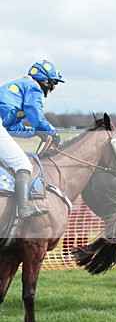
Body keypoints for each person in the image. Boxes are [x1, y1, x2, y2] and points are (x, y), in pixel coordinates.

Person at [0, 59, 64, 218]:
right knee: (23, 164)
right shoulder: (33, 87)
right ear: (45, 79)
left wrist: (35, 132)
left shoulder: (21, 90)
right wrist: (52, 132)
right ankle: (22, 209)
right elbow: (37, 117)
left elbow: (12, 128)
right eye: (53, 84)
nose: (52, 89)